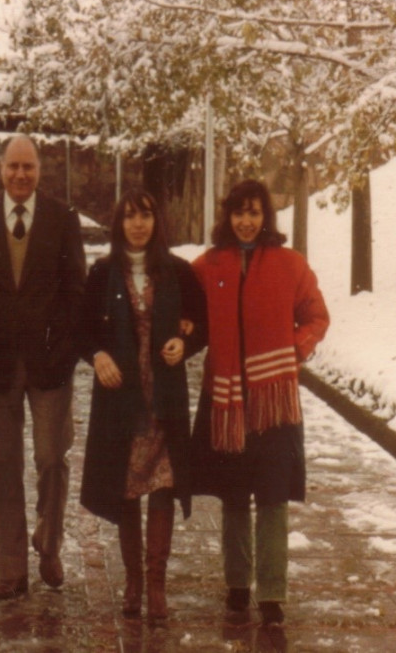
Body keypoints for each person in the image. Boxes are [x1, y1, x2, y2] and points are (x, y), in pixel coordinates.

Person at [190, 179, 329, 626]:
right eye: (238, 213)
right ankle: (236, 585)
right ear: (227, 217)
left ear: (265, 217)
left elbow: (316, 315)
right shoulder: (208, 266)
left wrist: (296, 348)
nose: (246, 221)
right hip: (226, 399)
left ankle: (271, 593)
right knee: (233, 495)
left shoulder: (291, 265)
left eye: (254, 213)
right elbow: (182, 308)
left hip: (273, 402)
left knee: (272, 496)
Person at [0, 134, 86, 600]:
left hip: (50, 362)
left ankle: (49, 542)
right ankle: (10, 570)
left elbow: (77, 290)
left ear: (39, 171)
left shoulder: (63, 219)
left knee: (52, 458)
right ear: (0, 169)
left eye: (28, 167)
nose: (20, 175)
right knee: (4, 466)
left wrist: (66, 348)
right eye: (13, 167)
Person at [78, 190, 206, 620]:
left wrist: (183, 342)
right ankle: (133, 580)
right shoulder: (102, 273)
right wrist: (98, 356)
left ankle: (156, 585)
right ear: (119, 224)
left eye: (145, 216)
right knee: (128, 487)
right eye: (129, 217)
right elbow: (82, 331)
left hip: (164, 397)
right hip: (122, 400)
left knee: (163, 486)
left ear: (156, 222)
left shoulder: (178, 272)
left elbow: (202, 322)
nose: (137, 224)